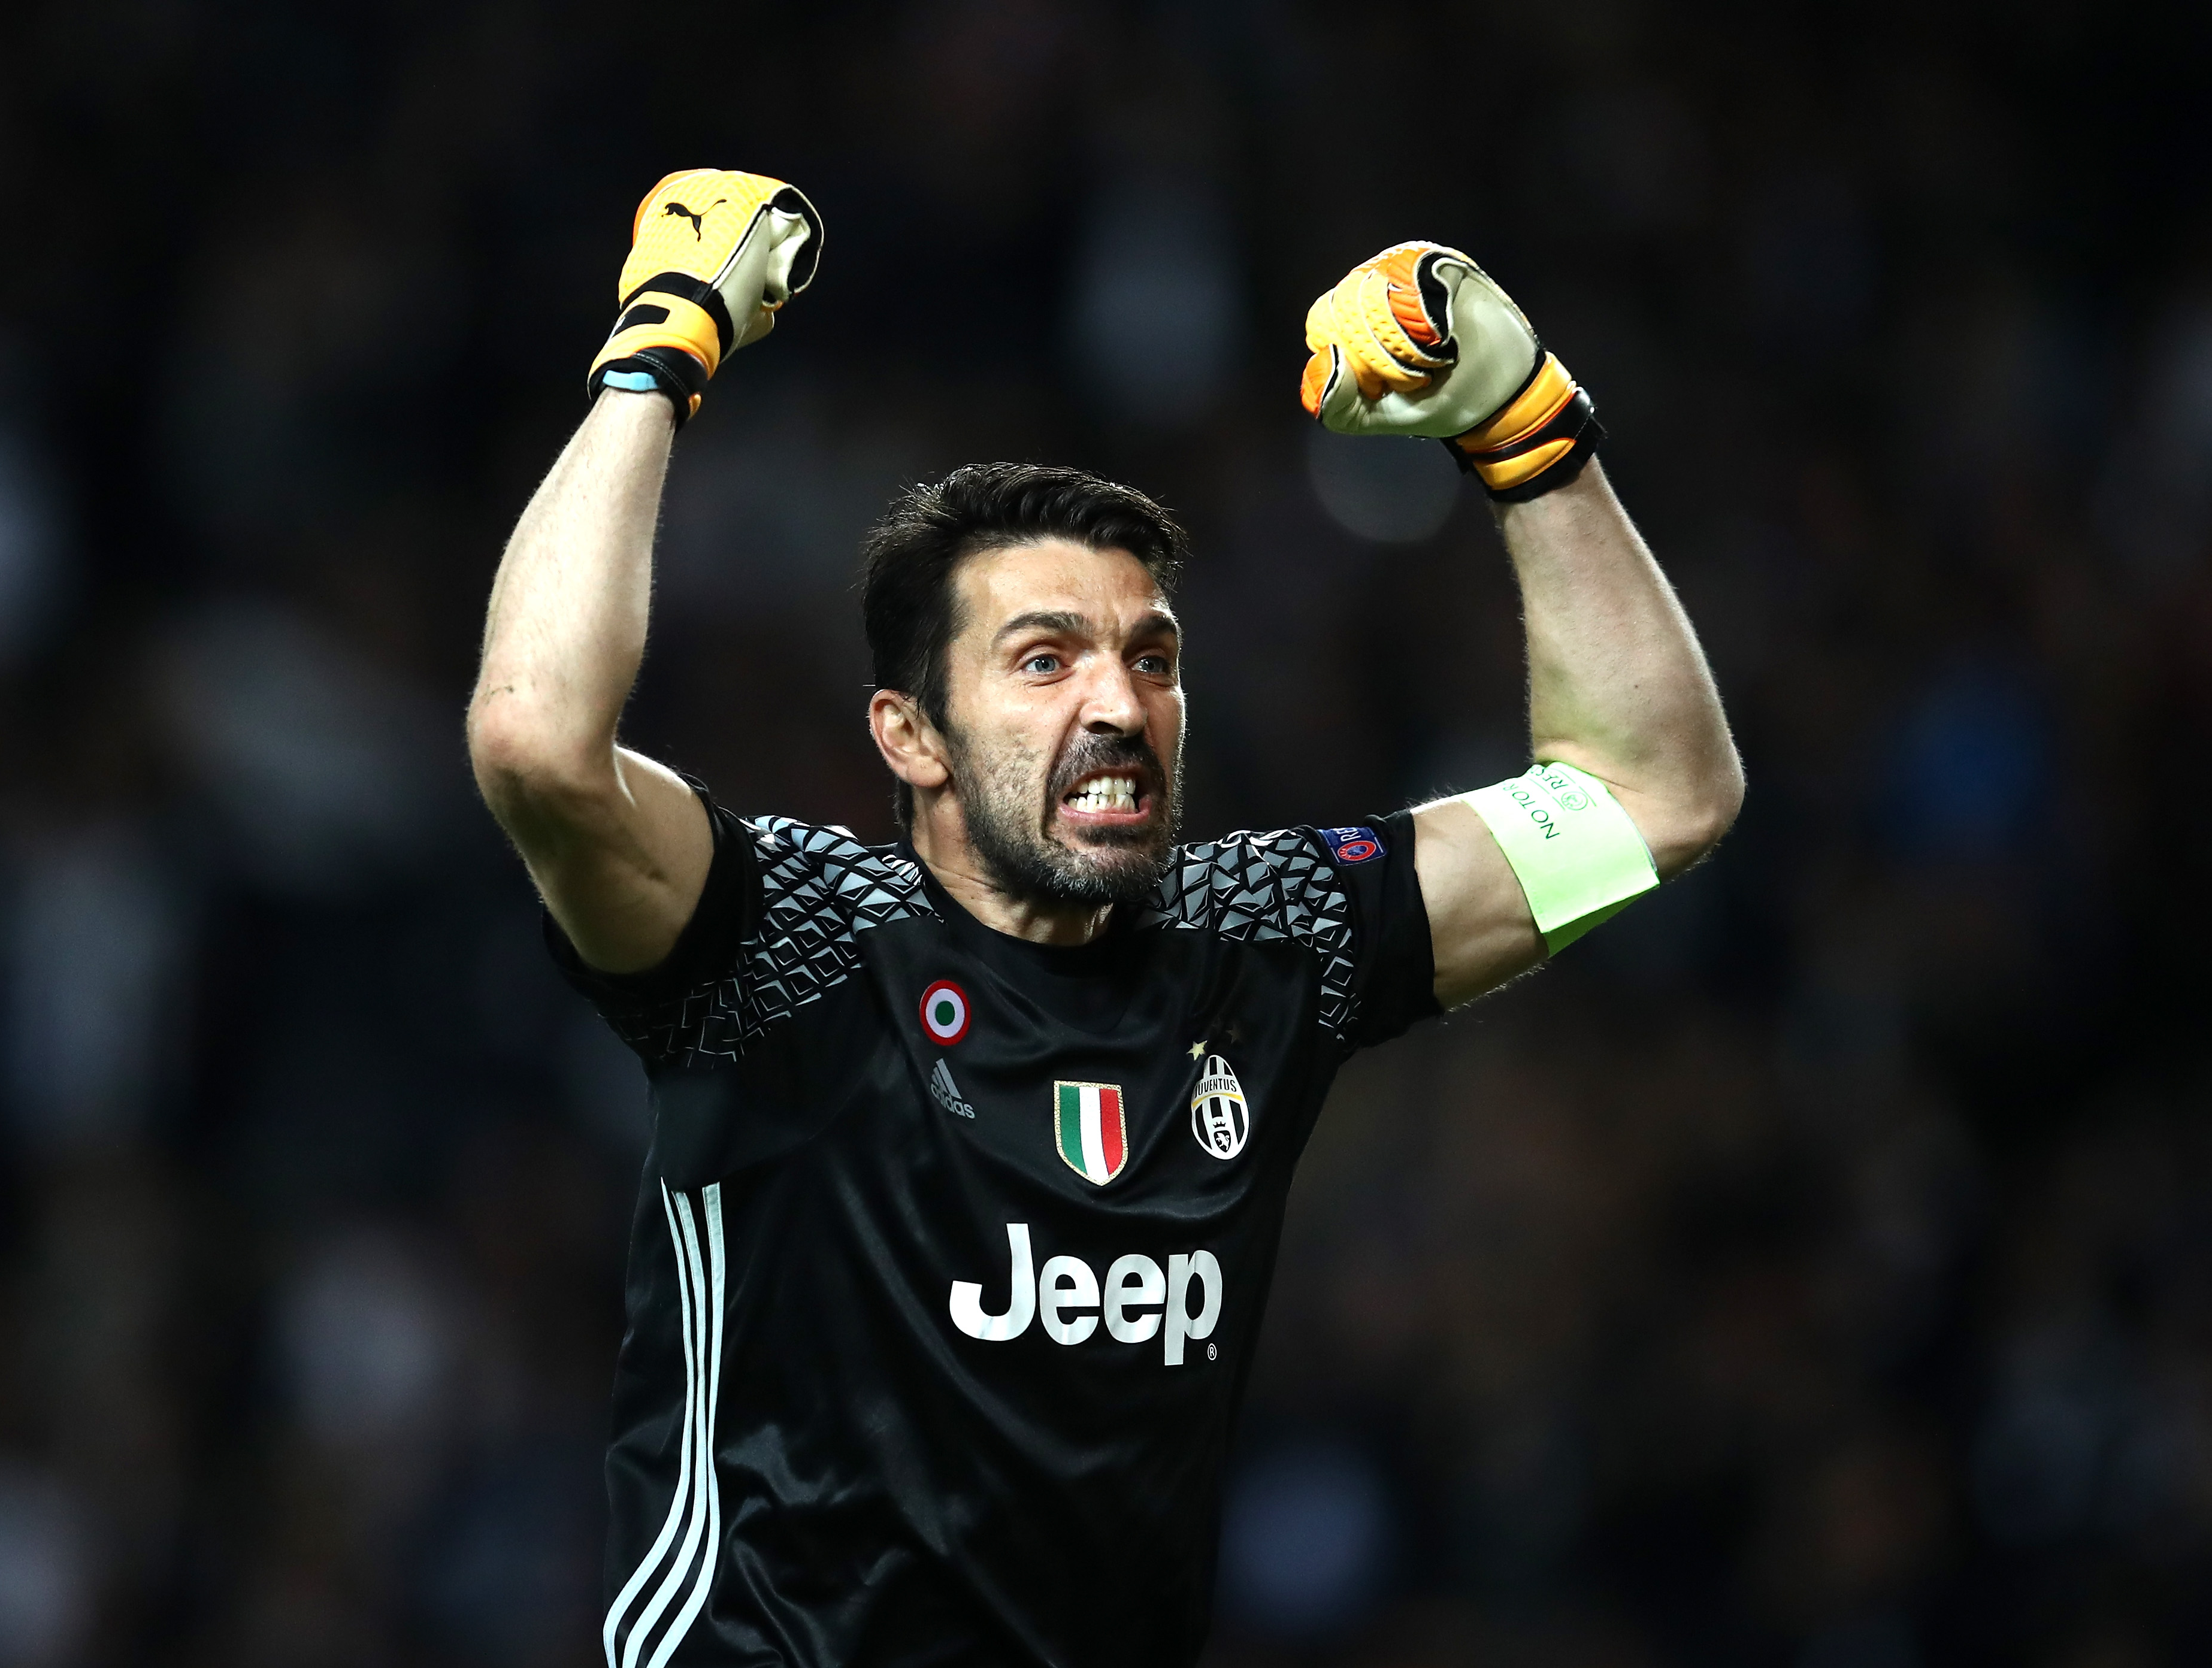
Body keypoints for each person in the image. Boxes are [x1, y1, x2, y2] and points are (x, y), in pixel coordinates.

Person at [467, 169, 1742, 1668]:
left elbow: (1658, 793)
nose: (1117, 703)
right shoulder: (788, 944)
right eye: (1042, 659)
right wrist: (658, 353)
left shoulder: (1268, 948)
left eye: (1152, 657)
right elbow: (536, 741)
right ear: (909, 736)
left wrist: (1532, 430)